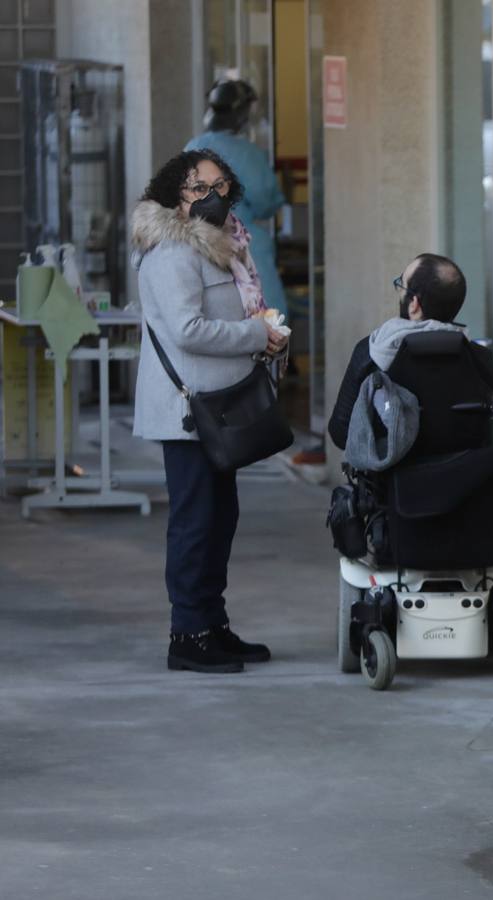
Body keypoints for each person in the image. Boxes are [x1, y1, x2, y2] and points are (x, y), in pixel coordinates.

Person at [131, 149, 289, 673]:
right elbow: (187, 331)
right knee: (195, 523)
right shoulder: (173, 252)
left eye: (220, 186)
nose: (212, 197)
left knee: (220, 519)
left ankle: (212, 624)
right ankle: (188, 635)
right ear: (175, 195)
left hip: (218, 408)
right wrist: (254, 334)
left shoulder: (224, 246)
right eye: (199, 188)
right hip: (189, 411)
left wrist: (261, 337)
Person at [327, 253, 470, 451]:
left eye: (401, 285)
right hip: (463, 472)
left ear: (414, 305)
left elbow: (341, 433)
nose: (398, 292)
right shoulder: (478, 358)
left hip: (394, 476)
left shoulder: (371, 352)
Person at [185, 79, 288, 318]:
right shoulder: (247, 154)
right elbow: (266, 202)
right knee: (269, 320)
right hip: (245, 250)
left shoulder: (193, 147)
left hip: (200, 246)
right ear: (241, 114)